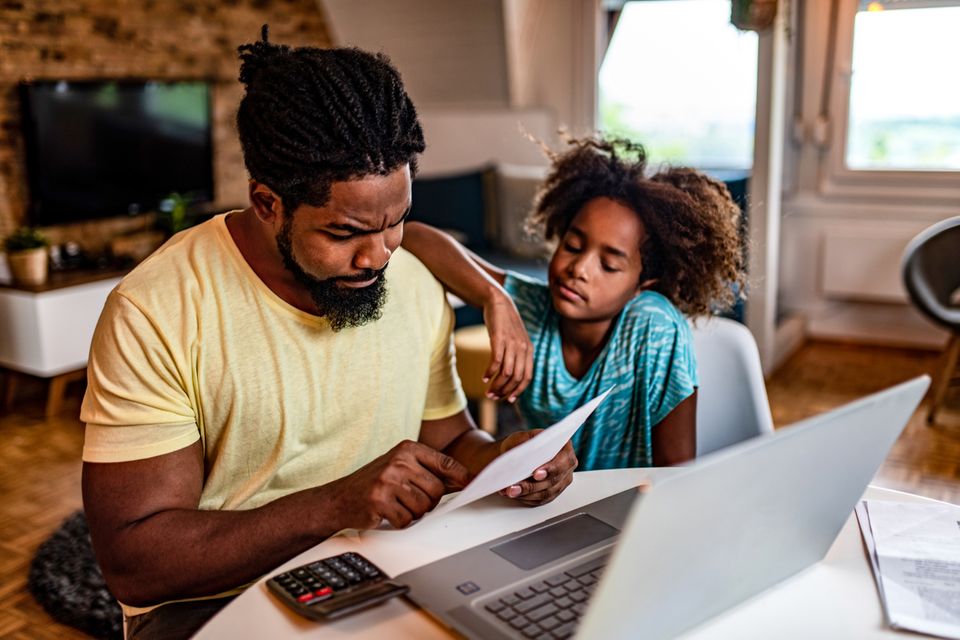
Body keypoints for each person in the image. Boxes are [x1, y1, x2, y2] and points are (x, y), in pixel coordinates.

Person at [79, 29, 576, 640]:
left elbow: (451, 440)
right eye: (345, 234)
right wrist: (335, 504)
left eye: (396, 223)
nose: (378, 257)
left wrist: (506, 463)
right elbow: (136, 565)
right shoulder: (157, 310)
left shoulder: (414, 281)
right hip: (212, 608)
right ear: (267, 203)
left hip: (382, 569)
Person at [403, 136, 745, 470]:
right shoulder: (532, 307)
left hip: (631, 510)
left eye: (609, 265)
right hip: (551, 506)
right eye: (573, 246)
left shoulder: (655, 327)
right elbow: (414, 236)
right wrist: (495, 298)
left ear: (643, 284)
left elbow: (677, 471)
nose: (578, 269)